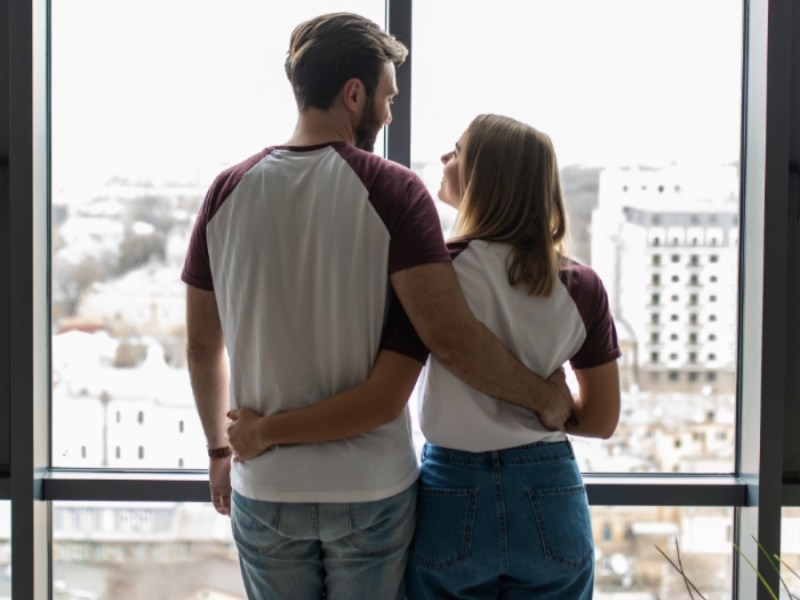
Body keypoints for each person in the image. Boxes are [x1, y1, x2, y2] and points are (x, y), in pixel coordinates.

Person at [182, 12, 573, 600]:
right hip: (368, 489)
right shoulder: (394, 190)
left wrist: (220, 448)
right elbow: (449, 336)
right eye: (387, 97)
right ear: (354, 93)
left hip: (264, 486)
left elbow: (201, 343)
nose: (390, 114)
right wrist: (546, 397)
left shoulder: (226, 190)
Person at [227, 114, 622, 599]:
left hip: (454, 490)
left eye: (457, 152)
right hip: (550, 486)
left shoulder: (437, 274)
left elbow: (391, 384)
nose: (443, 159)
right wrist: (553, 406)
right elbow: (602, 420)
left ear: (485, 178)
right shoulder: (580, 285)